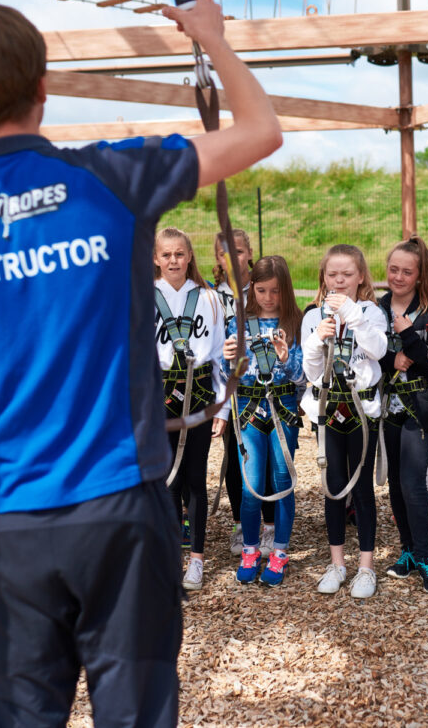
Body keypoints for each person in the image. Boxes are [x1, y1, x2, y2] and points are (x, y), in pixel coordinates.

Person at [0, 0, 281, 726]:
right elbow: (261, 131)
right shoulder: (112, 178)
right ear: (42, 83)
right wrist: (210, 38)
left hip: (12, 521)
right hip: (122, 506)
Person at [300, 244, 387, 598]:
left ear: (361, 276)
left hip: (362, 413)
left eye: (347, 274)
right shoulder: (312, 316)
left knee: (363, 488)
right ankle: (337, 562)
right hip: (328, 412)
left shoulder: (370, 311)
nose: (339, 280)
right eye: (332, 274)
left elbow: (377, 350)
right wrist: (316, 341)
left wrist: (352, 314)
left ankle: (366, 566)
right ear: (323, 276)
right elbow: (311, 372)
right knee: (333, 486)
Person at [223, 256, 303, 587]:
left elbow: (302, 376)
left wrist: (285, 358)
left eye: (275, 291)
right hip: (248, 408)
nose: (268, 298)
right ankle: (251, 550)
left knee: (283, 481)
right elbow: (230, 374)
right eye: (261, 291)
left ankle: (280, 552)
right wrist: (229, 361)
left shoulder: (296, 322)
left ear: (285, 290)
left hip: (283, 407)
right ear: (250, 289)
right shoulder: (238, 323)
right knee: (250, 486)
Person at [154, 227, 226, 592]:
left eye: (179, 254)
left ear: (189, 256)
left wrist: (223, 411)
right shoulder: (143, 298)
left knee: (196, 478)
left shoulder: (210, 300)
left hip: (198, 394)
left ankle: (196, 560)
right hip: (159, 396)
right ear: (156, 258)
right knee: (166, 479)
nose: (173, 261)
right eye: (166, 254)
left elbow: (218, 356)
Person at [378, 237, 428, 593]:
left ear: (421, 275)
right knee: (395, 482)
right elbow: (368, 354)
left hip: (420, 408)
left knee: (413, 483)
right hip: (387, 408)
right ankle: (407, 550)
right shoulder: (375, 309)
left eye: (407, 271)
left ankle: (426, 556)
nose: (398, 276)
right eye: (393, 269)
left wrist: (408, 334)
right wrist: (391, 360)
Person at [213, 230, 277, 557]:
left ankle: (270, 525)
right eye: (225, 253)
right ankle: (241, 523)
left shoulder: (264, 290)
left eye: (239, 251)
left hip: (265, 385)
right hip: (232, 392)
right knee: (237, 460)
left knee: (268, 460)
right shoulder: (212, 296)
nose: (233, 258)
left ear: (249, 252)